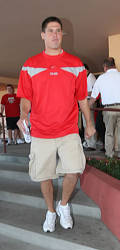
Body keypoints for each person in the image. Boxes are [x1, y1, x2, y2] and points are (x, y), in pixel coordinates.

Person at [17, 16, 95, 233]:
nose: (54, 34)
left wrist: (89, 123)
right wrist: (24, 115)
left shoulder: (75, 64)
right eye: (50, 31)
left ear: (62, 35)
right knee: (45, 176)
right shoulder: (30, 65)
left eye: (58, 31)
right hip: (41, 131)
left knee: (74, 170)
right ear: (43, 35)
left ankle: (63, 206)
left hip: (68, 129)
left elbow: (81, 99)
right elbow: (25, 98)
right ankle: (51, 211)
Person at [89, 57, 120, 158]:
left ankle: (109, 155)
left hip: (108, 109)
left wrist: (86, 107)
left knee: (109, 132)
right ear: (114, 65)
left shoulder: (102, 78)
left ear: (105, 67)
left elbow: (93, 97)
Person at [82, 64, 97, 150]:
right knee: (85, 123)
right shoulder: (87, 77)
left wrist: (81, 93)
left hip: (89, 101)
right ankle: (88, 142)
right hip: (85, 101)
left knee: (89, 122)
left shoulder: (91, 77)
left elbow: (92, 92)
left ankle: (92, 144)